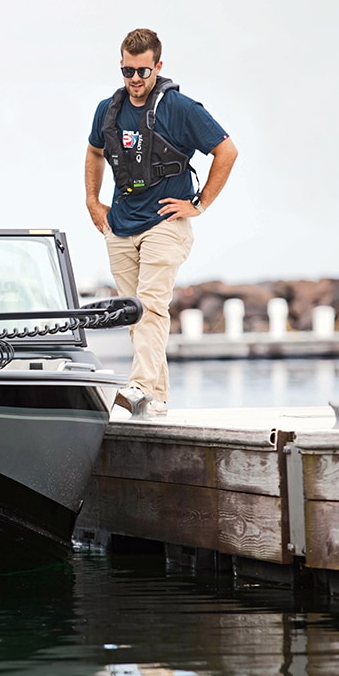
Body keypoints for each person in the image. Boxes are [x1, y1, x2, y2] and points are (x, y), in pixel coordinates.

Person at [84, 28, 237, 415]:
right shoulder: (108, 109)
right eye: (127, 71)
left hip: (165, 223)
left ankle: (138, 387)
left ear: (158, 67)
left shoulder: (180, 108)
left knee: (151, 306)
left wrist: (199, 205)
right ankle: (158, 398)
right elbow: (94, 151)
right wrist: (92, 200)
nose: (135, 80)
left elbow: (227, 151)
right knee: (136, 315)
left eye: (143, 71)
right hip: (120, 225)